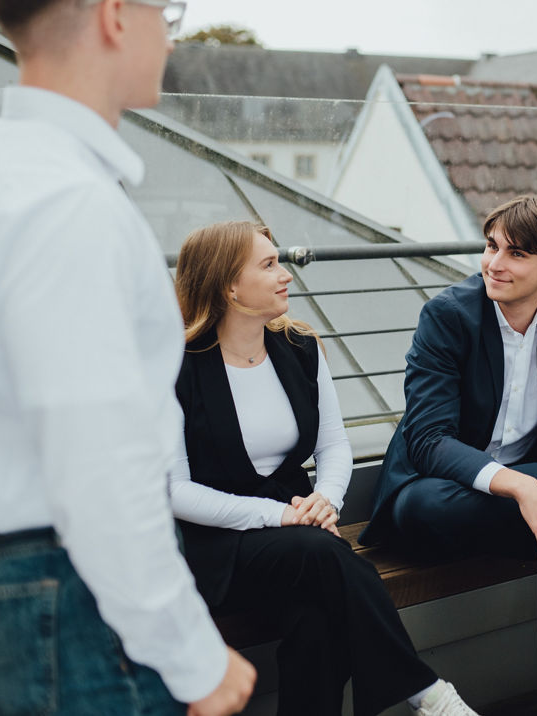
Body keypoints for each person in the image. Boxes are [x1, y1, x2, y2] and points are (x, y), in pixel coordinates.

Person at [0, 0, 254, 715]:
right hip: (71, 600)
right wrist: (194, 656)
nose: (172, 32)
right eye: (166, 10)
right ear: (115, 17)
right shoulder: (69, 205)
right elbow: (97, 469)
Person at [171, 221, 477, 716]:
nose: (286, 275)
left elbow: (335, 445)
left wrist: (326, 500)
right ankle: (427, 693)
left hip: (299, 535)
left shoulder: (300, 348)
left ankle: (425, 695)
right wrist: (282, 517)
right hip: (215, 546)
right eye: (269, 265)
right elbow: (175, 491)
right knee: (323, 555)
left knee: (317, 612)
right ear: (229, 284)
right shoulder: (177, 366)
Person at [360, 195, 537, 716]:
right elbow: (428, 440)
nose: (495, 263)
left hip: (532, 495)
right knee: (472, 506)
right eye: (491, 246)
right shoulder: (448, 316)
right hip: (434, 496)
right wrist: (524, 487)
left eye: (516, 253)